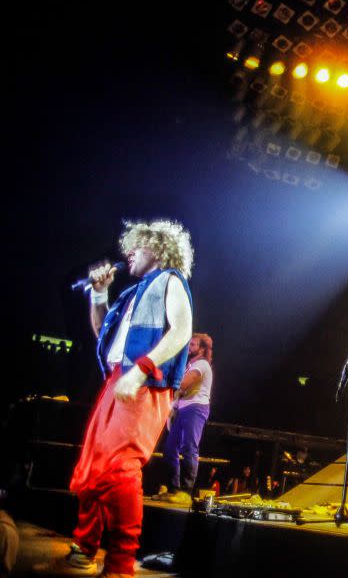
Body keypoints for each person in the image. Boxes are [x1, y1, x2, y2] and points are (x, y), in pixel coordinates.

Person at [36, 220, 194, 578]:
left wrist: (142, 368)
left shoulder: (170, 280)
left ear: (157, 247)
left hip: (145, 382)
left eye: (137, 246)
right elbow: (103, 335)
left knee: (121, 467)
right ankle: (86, 547)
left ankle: (121, 565)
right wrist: (99, 296)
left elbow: (183, 329)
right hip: (117, 380)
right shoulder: (132, 293)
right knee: (94, 467)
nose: (128, 252)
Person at [154, 333, 214, 505]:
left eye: (193, 345)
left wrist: (161, 374)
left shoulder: (202, 364)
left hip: (196, 408)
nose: (189, 347)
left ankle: (186, 491)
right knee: (170, 448)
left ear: (202, 349)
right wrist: (172, 408)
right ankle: (172, 489)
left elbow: (182, 385)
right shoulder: (190, 365)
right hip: (182, 409)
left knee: (189, 447)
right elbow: (179, 392)